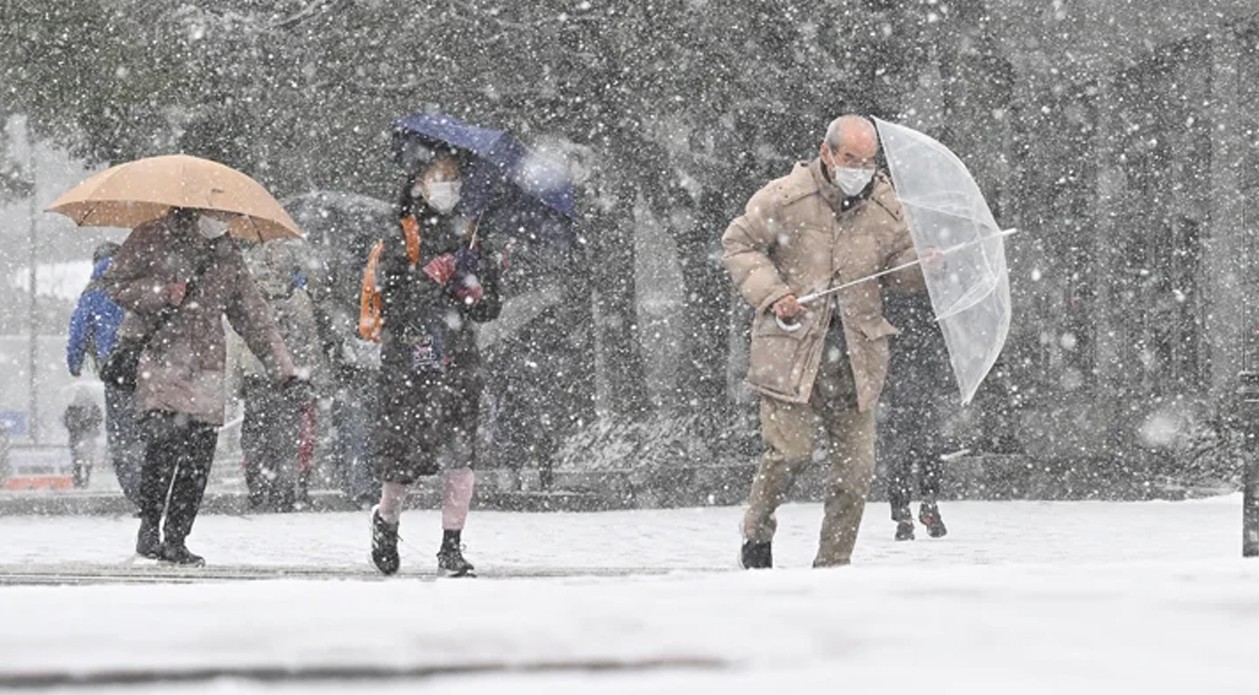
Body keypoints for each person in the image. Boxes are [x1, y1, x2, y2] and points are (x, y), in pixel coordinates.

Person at [722, 115, 932, 569]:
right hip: (791, 350)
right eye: (850, 159)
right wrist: (775, 295)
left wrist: (926, 264)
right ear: (827, 153)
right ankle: (756, 530)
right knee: (789, 454)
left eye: (869, 161)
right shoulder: (785, 197)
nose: (860, 169)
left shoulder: (887, 207)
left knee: (856, 472)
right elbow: (739, 244)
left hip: (857, 356)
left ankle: (833, 566)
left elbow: (897, 270)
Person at [104, 207, 297, 566]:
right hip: (160, 358)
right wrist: (162, 292)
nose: (222, 217)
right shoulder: (152, 235)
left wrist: (282, 368)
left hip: (207, 365)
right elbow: (115, 283)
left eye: (228, 213)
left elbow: (255, 318)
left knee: (197, 456)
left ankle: (176, 537)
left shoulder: (229, 256)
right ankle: (149, 524)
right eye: (217, 211)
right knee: (164, 443)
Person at [368, 151, 502, 578]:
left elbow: (488, 308)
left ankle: (451, 546)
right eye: (439, 176)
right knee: (403, 459)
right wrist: (430, 277)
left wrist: (476, 290)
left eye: (455, 178)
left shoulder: (474, 236)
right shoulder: (399, 234)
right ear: (420, 182)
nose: (449, 185)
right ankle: (386, 522)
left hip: (460, 359)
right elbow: (393, 304)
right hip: (409, 361)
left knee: (460, 454)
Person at [232, 238, 328, 512]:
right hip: (289, 376)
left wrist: (235, 382)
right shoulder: (299, 299)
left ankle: (260, 488)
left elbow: (239, 342)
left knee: (258, 436)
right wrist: (313, 377)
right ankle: (282, 491)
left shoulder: (249, 298)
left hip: (259, 376)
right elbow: (310, 342)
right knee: (284, 438)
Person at [67, 241, 143, 505]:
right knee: (146, 428)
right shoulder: (138, 282)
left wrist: (74, 362)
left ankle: (136, 493)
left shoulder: (92, 291)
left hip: (114, 369)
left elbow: (77, 331)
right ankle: (154, 487)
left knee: (122, 433)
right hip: (145, 366)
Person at [880, 291, 950, 541]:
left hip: (917, 362)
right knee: (909, 445)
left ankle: (913, 509)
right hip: (906, 361)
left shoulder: (929, 289)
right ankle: (912, 509)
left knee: (918, 443)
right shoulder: (903, 282)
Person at [62, 387, 103, 488]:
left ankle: (81, 479)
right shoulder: (74, 407)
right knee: (80, 459)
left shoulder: (90, 407)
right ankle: (80, 479)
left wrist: (84, 425)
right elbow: (67, 421)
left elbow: (98, 419)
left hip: (83, 437)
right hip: (79, 437)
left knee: (81, 459)